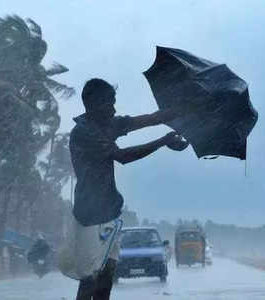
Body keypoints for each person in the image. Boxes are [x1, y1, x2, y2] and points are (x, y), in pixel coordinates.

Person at [69, 78, 190, 300]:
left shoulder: (107, 124)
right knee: (90, 281)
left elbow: (152, 119)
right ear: (93, 104)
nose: (114, 109)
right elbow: (122, 156)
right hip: (88, 217)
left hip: (110, 213)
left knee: (105, 281)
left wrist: (187, 109)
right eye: (109, 104)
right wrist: (163, 142)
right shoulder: (84, 133)